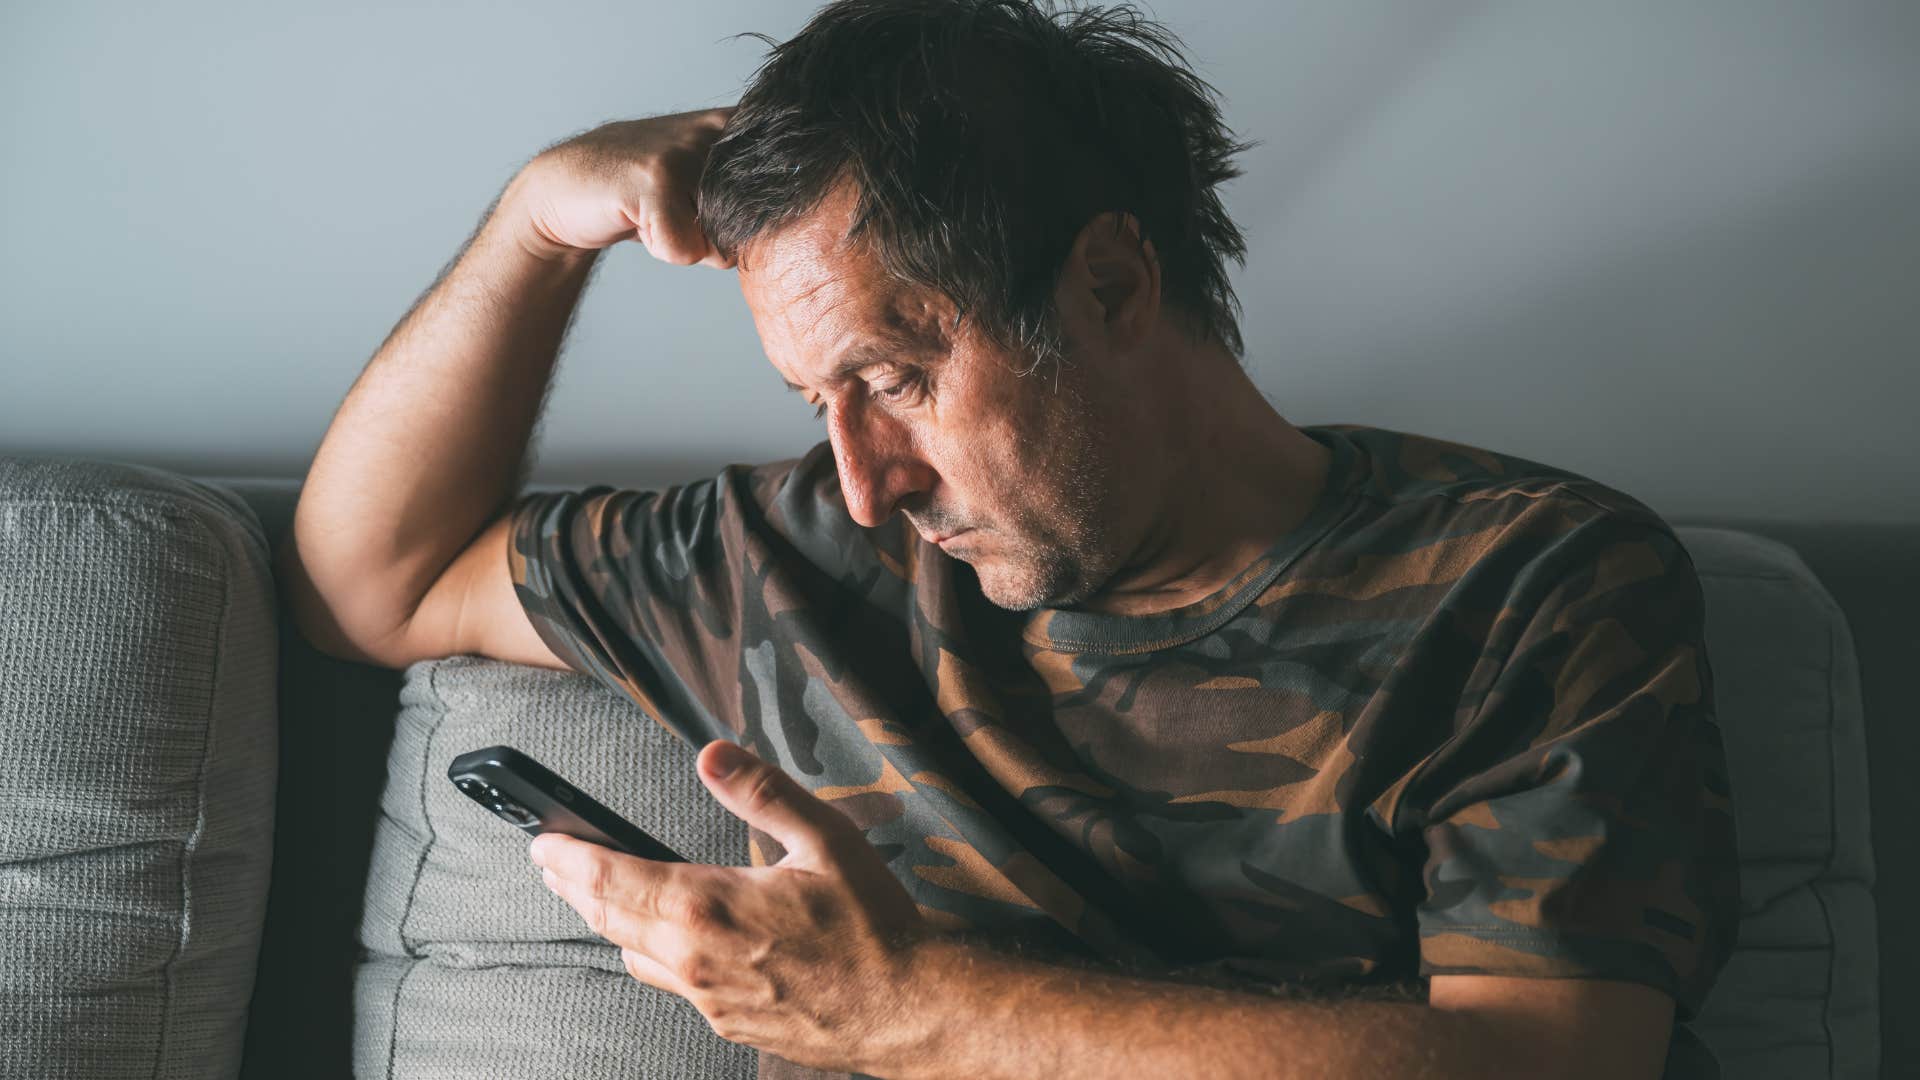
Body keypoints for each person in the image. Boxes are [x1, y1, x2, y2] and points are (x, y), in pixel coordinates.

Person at [278, 1, 1739, 1077]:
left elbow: (1553, 1060)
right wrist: (537, 224)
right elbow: (370, 585)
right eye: (816, 401)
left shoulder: (1530, 583)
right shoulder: (783, 563)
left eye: (898, 381)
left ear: (1109, 284)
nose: (862, 480)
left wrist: (901, 1008)